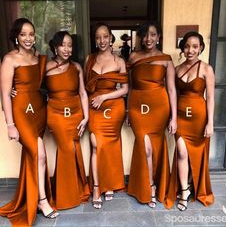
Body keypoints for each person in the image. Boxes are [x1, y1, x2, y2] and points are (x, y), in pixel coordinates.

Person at [0, 18, 59, 226]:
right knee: (39, 153)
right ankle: (42, 201)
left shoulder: (37, 58)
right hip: (21, 113)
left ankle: (30, 194)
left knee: (33, 156)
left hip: (38, 110)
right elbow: (6, 94)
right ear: (16, 36)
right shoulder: (9, 59)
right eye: (23, 34)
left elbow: (42, 81)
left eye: (31, 34)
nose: (28, 38)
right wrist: (10, 124)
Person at [127, 22, 177, 208]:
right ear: (141, 37)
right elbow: (130, 87)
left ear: (159, 36)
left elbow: (172, 89)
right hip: (137, 106)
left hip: (159, 108)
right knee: (145, 146)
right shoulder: (133, 57)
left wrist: (173, 117)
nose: (149, 39)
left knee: (156, 147)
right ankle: (149, 187)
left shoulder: (166, 58)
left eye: (153, 35)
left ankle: (155, 184)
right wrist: (127, 111)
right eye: (145, 35)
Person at [165, 31, 215, 211]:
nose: (190, 50)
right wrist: (173, 118)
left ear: (201, 48)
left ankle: (193, 186)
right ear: (182, 48)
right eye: (187, 46)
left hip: (199, 120)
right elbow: (174, 95)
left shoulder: (206, 69)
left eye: (195, 46)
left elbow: (210, 98)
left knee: (197, 155)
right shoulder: (177, 69)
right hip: (180, 119)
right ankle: (184, 191)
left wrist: (210, 123)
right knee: (181, 153)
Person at [84, 23, 128, 209]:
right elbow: (83, 86)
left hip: (113, 107)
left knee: (109, 146)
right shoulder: (89, 59)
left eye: (105, 36)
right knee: (96, 145)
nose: (102, 40)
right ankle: (96, 187)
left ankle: (108, 183)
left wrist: (104, 96)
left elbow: (125, 89)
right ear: (95, 40)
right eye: (98, 37)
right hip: (94, 108)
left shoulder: (119, 62)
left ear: (111, 38)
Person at [46, 31, 90, 209]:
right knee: (66, 149)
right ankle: (66, 197)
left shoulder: (77, 67)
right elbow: (30, 87)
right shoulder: (46, 67)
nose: (66, 49)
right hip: (55, 114)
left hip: (75, 113)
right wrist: (13, 91)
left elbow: (82, 93)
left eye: (70, 45)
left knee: (73, 149)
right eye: (63, 45)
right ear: (55, 47)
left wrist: (86, 117)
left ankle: (76, 190)